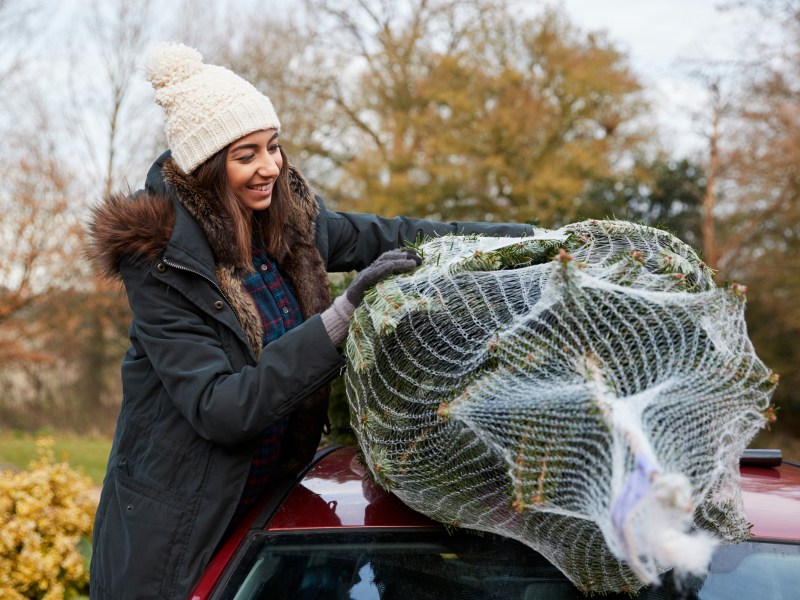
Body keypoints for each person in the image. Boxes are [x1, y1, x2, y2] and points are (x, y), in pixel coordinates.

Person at [85, 41, 536, 599]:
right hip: (182, 527)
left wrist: (533, 241)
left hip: (276, 498)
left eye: (273, 147)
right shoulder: (163, 265)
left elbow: (396, 234)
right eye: (245, 155)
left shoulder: (291, 221)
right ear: (206, 168)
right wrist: (342, 316)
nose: (269, 167)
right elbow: (221, 407)